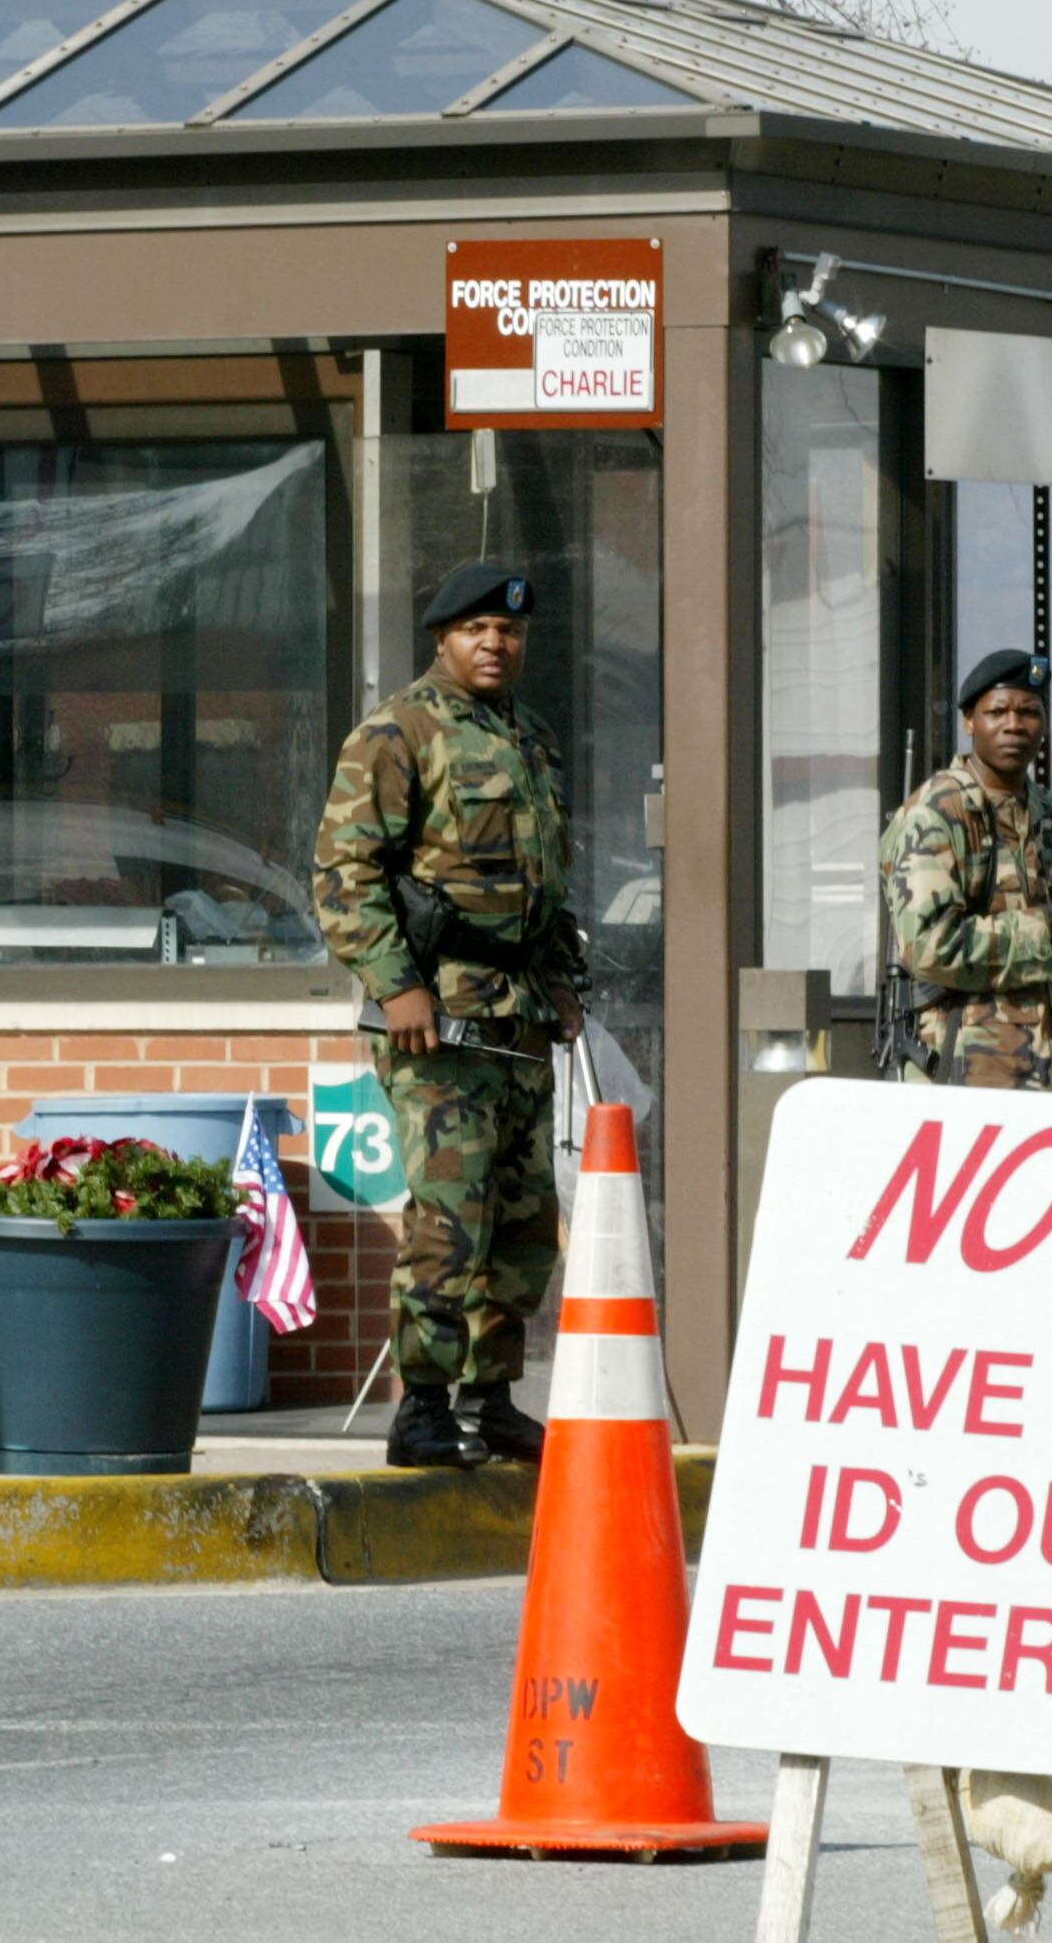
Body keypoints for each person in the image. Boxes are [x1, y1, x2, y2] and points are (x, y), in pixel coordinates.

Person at [314, 560, 585, 1471]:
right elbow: (345, 874)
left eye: (509, 631)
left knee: (517, 1220)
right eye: (477, 629)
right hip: (439, 1018)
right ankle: (422, 1408)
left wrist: (562, 978)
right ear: (443, 637)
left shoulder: (531, 738)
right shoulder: (397, 732)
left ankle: (492, 1397)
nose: (496, 643)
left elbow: (545, 884)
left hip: (519, 1018)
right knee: (447, 1220)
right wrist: (398, 987)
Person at [877, 649, 1052, 1091]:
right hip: (968, 1075)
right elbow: (931, 947)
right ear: (969, 721)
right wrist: (1050, 924)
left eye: (1029, 712)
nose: (1014, 725)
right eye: (997, 712)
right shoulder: (937, 812)